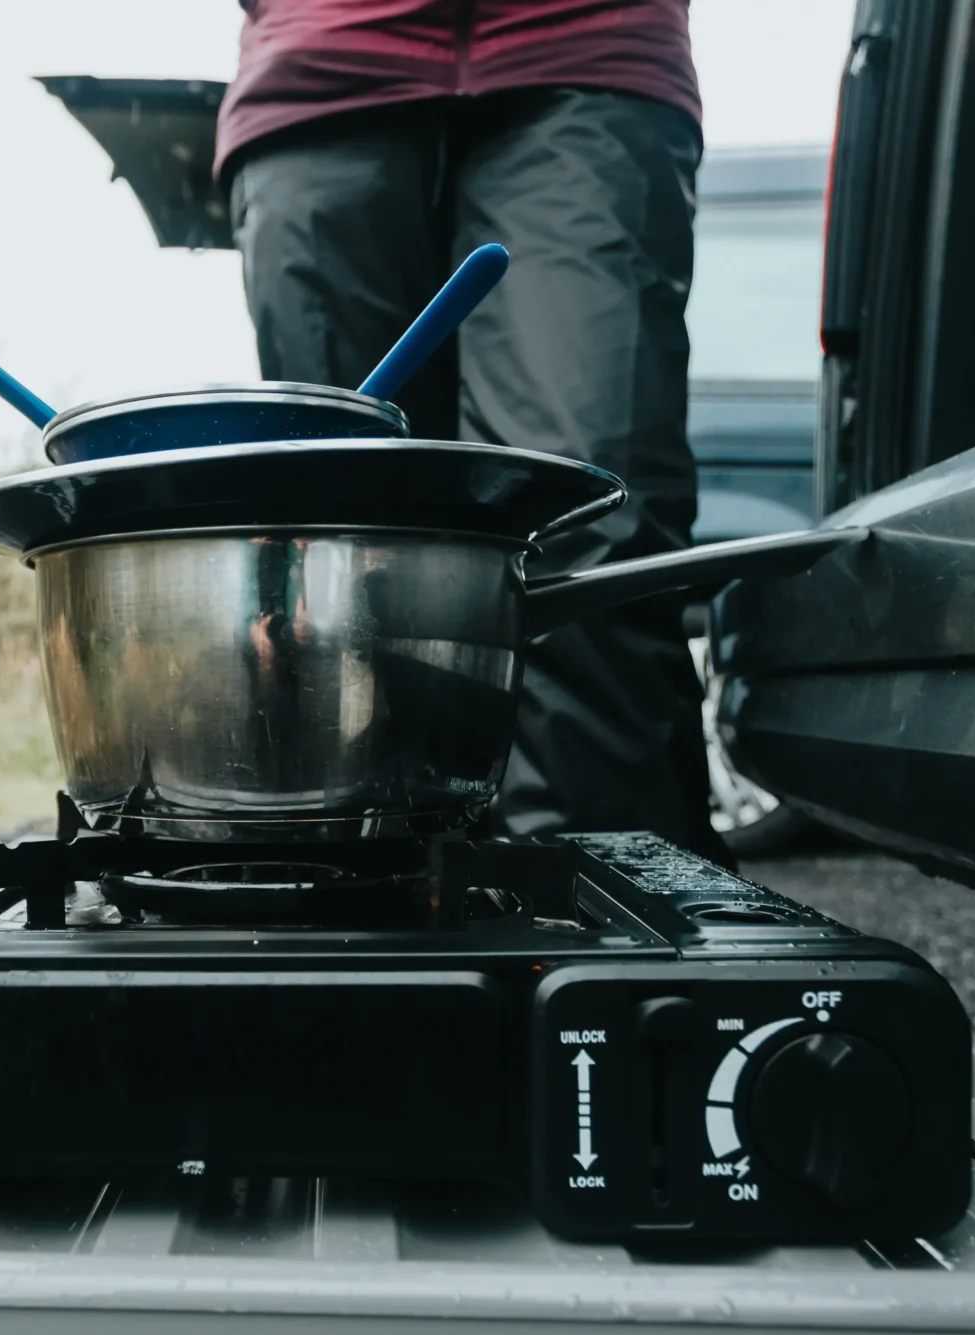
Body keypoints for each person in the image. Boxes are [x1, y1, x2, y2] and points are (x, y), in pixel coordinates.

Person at [218, 0, 722, 858]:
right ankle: (356, 908)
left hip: (586, 49)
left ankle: (604, 918)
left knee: (589, 518)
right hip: (320, 68)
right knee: (342, 552)